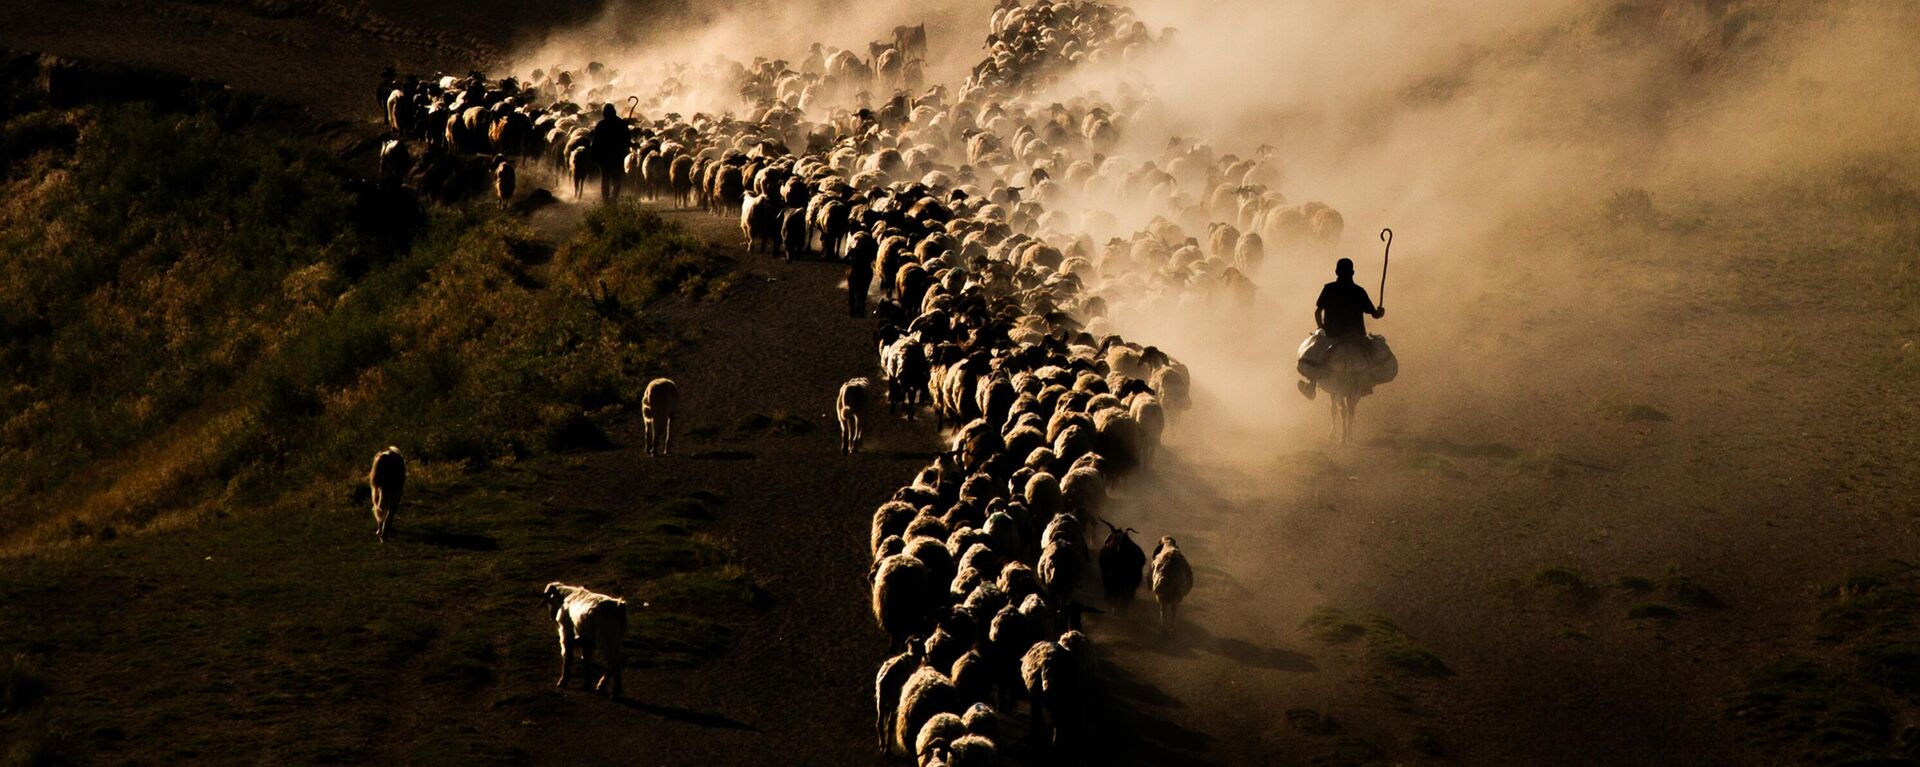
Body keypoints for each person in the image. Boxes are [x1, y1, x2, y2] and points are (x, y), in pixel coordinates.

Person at [1298, 257, 1384, 399]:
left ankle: (1311, 385)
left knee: (1315, 358)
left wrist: (1321, 328)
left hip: (1333, 335)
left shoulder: (1329, 289)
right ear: (1353, 272)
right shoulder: (1359, 291)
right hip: (1357, 336)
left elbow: (1318, 312)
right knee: (1372, 357)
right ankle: (1370, 382)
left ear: (1337, 272)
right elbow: (1375, 314)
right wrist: (1380, 312)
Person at [589, 103, 632, 202]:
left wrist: (593, 155)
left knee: (605, 177)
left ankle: (605, 197)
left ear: (605, 113)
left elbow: (595, 141)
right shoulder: (621, 123)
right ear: (614, 112)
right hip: (617, 155)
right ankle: (614, 195)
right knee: (617, 176)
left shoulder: (601, 124)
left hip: (604, 156)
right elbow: (627, 139)